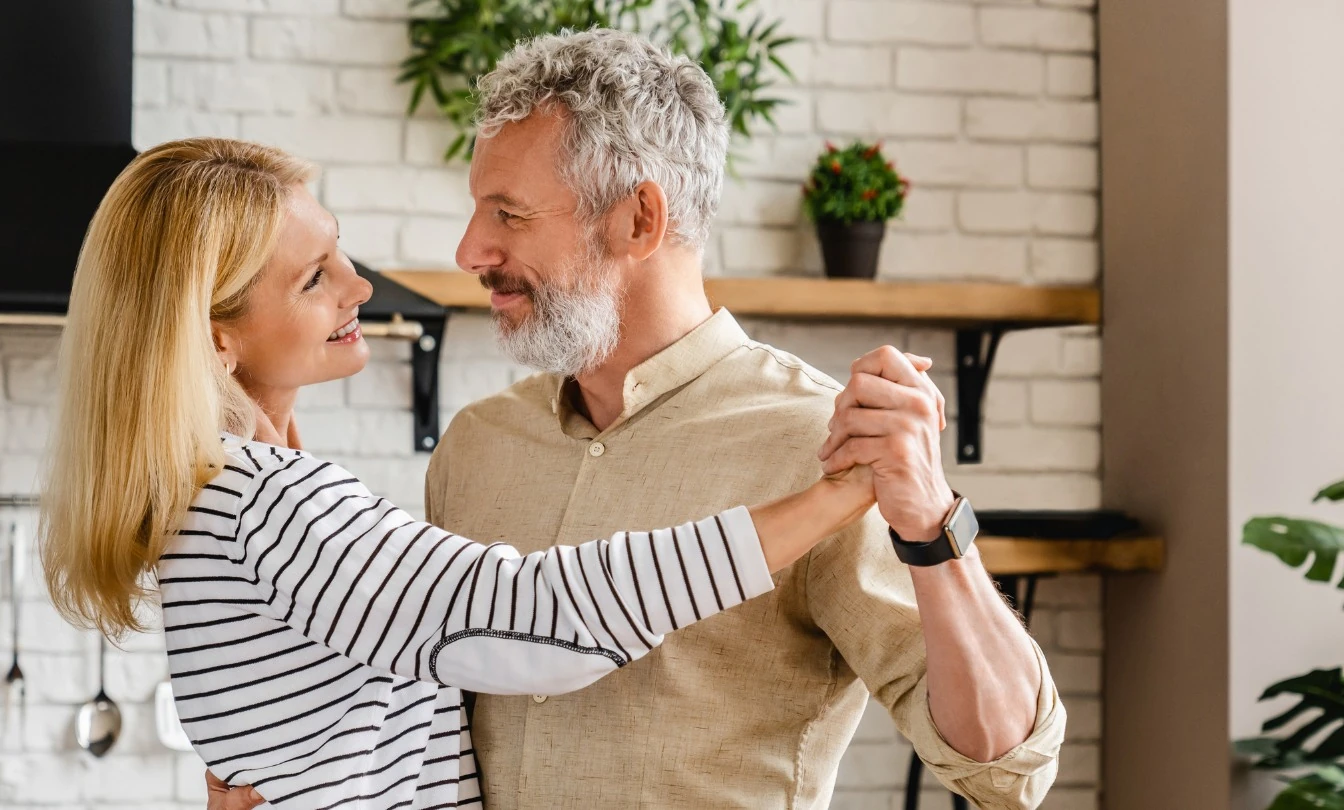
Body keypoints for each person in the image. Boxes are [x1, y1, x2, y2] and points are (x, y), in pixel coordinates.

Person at [209, 28, 1066, 810]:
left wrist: (931, 527)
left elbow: (1004, 766)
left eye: (508, 213)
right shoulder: (477, 446)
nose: (470, 251)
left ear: (638, 219)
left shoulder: (826, 444)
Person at [38, 137, 919, 808]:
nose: (360, 286)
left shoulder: (221, 496)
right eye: (315, 278)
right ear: (218, 337)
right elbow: (540, 622)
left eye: (339, 251)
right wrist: (837, 494)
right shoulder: (270, 504)